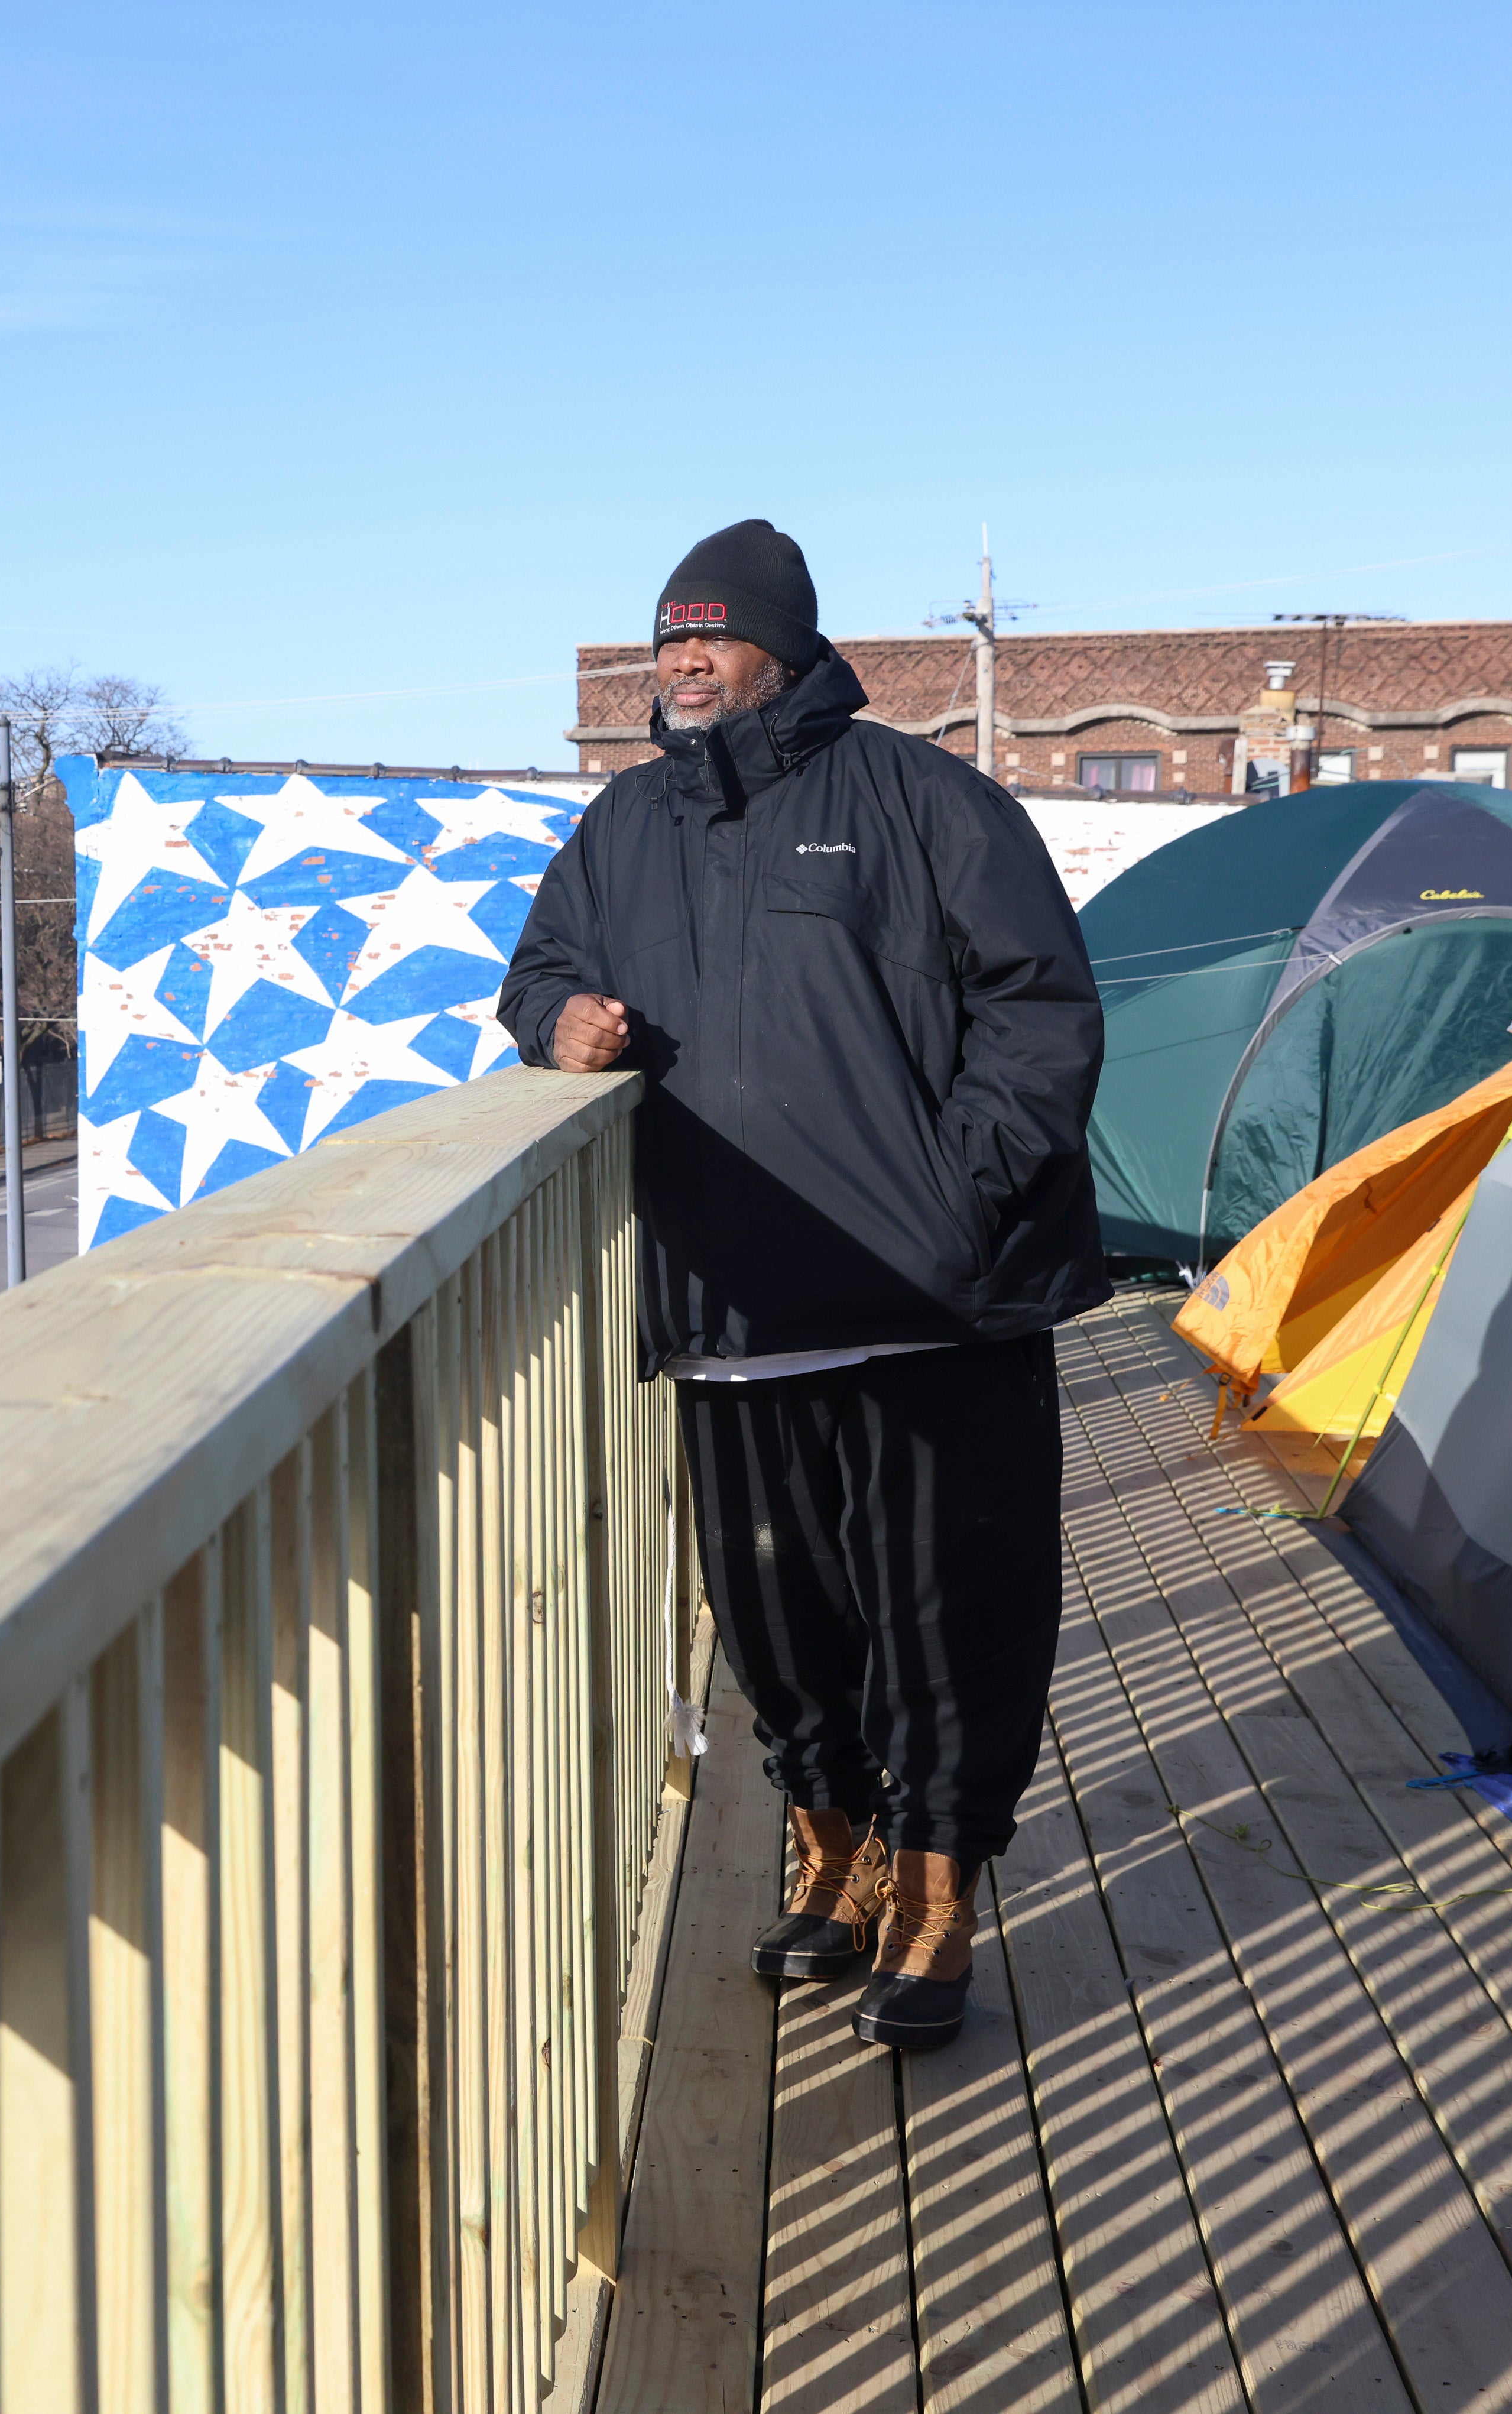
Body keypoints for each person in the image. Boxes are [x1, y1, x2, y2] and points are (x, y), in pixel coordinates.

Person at [496, 520, 1105, 2050]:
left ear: (786, 646)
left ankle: (937, 1885)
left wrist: (949, 1205)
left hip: (924, 1308)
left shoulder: (920, 802)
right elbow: (532, 972)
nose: (682, 660)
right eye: (665, 638)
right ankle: (833, 1849)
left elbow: (1039, 1014)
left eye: (710, 635)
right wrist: (561, 1017)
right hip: (727, 1311)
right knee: (777, 1620)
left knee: (945, 1613)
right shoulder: (622, 827)